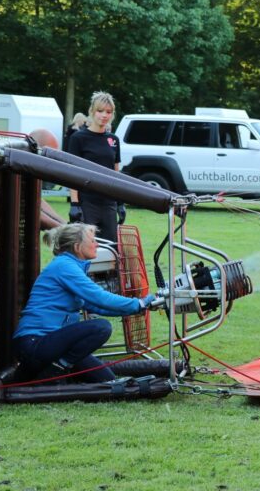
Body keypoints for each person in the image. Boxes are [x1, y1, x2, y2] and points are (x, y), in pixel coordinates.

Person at [12, 223, 154, 383]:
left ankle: (54, 370)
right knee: (101, 327)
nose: (97, 244)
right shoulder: (65, 266)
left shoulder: (72, 266)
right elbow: (100, 297)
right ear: (78, 247)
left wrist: (136, 308)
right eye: (93, 241)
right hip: (35, 343)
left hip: (55, 345)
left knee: (107, 379)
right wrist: (138, 304)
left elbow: (96, 305)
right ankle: (56, 370)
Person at [67, 92, 126, 243]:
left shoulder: (113, 140)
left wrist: (120, 202)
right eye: (100, 111)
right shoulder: (78, 138)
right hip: (87, 202)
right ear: (92, 111)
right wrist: (74, 204)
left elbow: (116, 173)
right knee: (87, 246)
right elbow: (72, 173)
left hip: (108, 202)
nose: (104, 115)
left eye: (108, 112)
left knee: (111, 248)